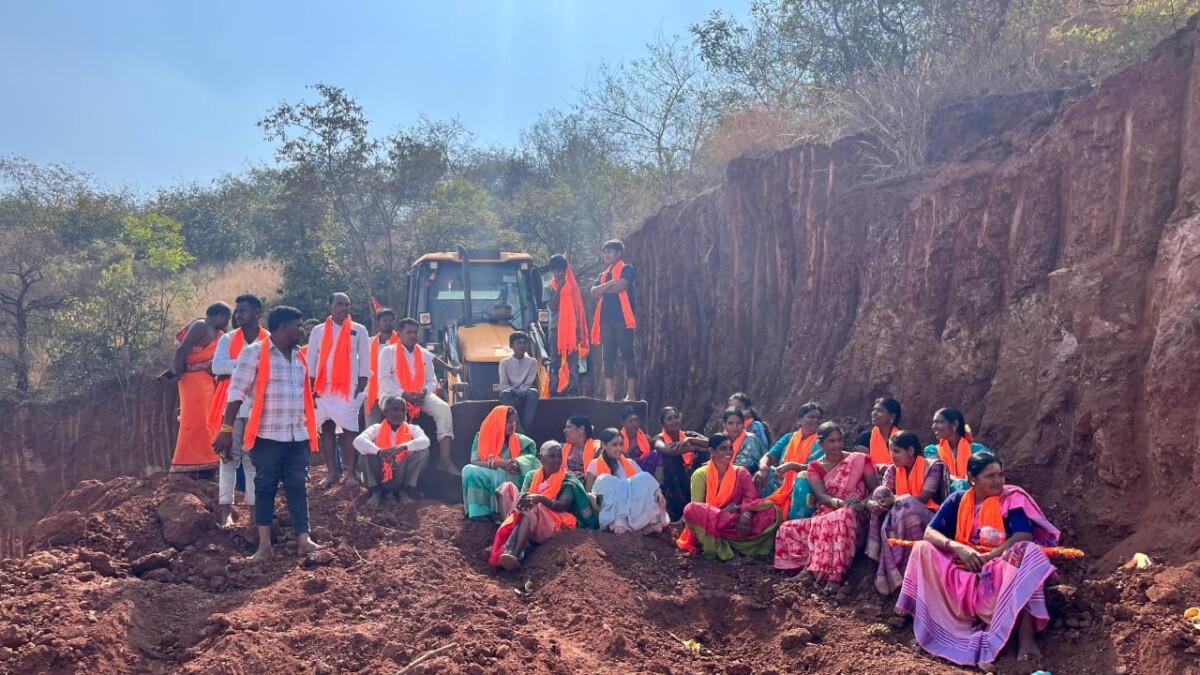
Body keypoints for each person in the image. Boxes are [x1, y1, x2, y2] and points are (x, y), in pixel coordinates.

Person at [897, 453, 1060, 669]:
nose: (998, 481)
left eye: (1001, 474)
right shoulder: (957, 499)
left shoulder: (1010, 499)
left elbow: (1023, 535)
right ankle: (925, 619)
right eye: (990, 476)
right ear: (972, 478)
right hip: (962, 563)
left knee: (1028, 553)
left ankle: (1026, 634)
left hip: (997, 565)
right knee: (922, 548)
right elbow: (930, 532)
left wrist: (989, 557)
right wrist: (958, 548)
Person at [214, 305, 321, 562]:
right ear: (284, 327)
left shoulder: (300, 357)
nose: (302, 330)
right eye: (298, 325)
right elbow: (236, 393)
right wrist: (226, 429)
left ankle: (304, 540)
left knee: (298, 487)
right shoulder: (254, 354)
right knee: (265, 488)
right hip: (267, 436)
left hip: (297, 436)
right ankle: (264, 546)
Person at [773, 422, 880, 592]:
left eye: (839, 440)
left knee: (839, 518)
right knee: (786, 529)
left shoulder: (859, 459)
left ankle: (833, 576)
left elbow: (875, 489)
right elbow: (821, 496)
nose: (837, 445)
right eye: (831, 441)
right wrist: (840, 503)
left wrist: (862, 503)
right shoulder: (816, 466)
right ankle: (811, 567)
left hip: (856, 514)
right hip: (828, 511)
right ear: (821, 444)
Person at [864, 431, 950, 594]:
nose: (893, 455)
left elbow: (924, 498)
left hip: (930, 519)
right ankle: (874, 556)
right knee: (880, 492)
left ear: (910, 451)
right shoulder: (893, 470)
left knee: (906, 502)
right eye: (891, 451)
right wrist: (876, 504)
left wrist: (895, 499)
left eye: (896, 451)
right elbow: (886, 494)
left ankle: (905, 573)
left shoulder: (932, 466)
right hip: (900, 515)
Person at [490, 441, 596, 570]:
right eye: (552, 456)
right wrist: (522, 501)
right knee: (506, 488)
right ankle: (518, 539)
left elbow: (563, 504)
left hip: (555, 520)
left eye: (559, 456)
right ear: (541, 458)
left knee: (532, 507)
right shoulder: (532, 476)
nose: (557, 460)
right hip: (529, 515)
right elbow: (524, 496)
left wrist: (540, 499)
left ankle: (515, 553)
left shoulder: (568, 480)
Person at [210, 294, 269, 528]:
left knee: (253, 461)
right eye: (237, 311)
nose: (237, 315)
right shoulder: (228, 339)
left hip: (259, 409)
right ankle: (226, 512)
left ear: (256, 313)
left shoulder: (269, 340)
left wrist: (233, 367)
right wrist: (247, 366)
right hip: (231, 408)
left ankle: (254, 513)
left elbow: (269, 369)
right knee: (228, 458)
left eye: (243, 311)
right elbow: (216, 366)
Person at [677, 434, 782, 560]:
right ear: (711, 451)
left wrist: (746, 514)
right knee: (691, 509)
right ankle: (723, 550)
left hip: (736, 522)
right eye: (723, 448)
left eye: (730, 448)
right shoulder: (700, 474)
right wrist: (721, 512)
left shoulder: (741, 472)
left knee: (773, 509)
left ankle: (732, 544)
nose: (728, 452)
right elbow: (698, 507)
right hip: (712, 523)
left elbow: (751, 498)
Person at [380, 317, 459, 476]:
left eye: (415, 332)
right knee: (397, 408)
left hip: (419, 395)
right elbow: (384, 381)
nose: (413, 335)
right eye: (408, 332)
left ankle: (444, 460)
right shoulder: (388, 352)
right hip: (395, 395)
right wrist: (404, 394)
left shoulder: (424, 354)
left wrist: (424, 391)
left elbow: (432, 380)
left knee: (443, 409)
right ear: (400, 334)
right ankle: (395, 466)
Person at [308, 293, 371, 489]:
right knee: (326, 428)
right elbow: (311, 360)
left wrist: (361, 386)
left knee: (349, 429)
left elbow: (365, 360)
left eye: (347, 304)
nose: (344, 308)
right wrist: (311, 388)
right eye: (340, 304)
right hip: (323, 389)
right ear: (330, 306)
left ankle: (351, 474)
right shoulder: (318, 331)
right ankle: (331, 473)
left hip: (349, 389)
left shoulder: (358, 330)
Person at [163, 302, 231, 475]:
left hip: (208, 382)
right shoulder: (201, 325)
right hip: (192, 381)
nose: (228, 323)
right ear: (221, 315)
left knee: (209, 420)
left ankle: (209, 462)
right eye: (227, 318)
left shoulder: (217, 333)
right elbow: (182, 351)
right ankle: (189, 463)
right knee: (195, 421)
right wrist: (178, 374)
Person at [461, 405, 540, 520]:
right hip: (491, 471)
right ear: (499, 422)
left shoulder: (521, 441)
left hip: (510, 477)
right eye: (509, 422)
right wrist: (497, 464)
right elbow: (474, 461)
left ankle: (501, 511)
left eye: (514, 421)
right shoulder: (481, 436)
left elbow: (531, 460)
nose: (513, 425)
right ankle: (480, 513)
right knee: (468, 470)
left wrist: (516, 463)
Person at [586, 428, 669, 534]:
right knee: (605, 480)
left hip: (632, 508)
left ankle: (638, 524)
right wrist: (591, 495)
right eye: (614, 445)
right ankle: (620, 523)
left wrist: (657, 491)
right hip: (610, 509)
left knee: (645, 477)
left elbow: (645, 483)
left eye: (621, 444)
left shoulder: (630, 463)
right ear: (603, 445)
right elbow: (588, 491)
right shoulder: (594, 464)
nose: (619, 448)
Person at [353, 395, 431, 506]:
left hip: (400, 477)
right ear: (385, 412)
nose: (399, 413)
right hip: (379, 477)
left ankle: (404, 492)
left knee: (423, 452)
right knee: (365, 453)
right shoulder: (376, 428)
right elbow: (358, 441)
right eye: (395, 409)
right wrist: (379, 452)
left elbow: (425, 441)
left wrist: (403, 447)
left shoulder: (412, 429)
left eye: (402, 410)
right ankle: (376, 493)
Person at [589, 239, 637, 402]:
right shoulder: (603, 275)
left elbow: (621, 286)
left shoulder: (627, 268)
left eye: (610, 251)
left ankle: (631, 394)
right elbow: (594, 293)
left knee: (628, 354)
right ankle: (610, 394)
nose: (606, 254)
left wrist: (605, 288)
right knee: (607, 356)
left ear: (619, 253)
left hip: (623, 318)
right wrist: (610, 283)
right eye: (605, 252)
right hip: (605, 319)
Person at [756, 402, 825, 510]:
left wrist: (792, 466)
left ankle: (795, 519)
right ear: (799, 420)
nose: (816, 420)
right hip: (782, 483)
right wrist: (763, 469)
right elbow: (769, 457)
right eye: (811, 417)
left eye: (819, 418)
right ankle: (760, 511)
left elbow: (821, 467)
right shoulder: (789, 438)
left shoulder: (823, 441)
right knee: (761, 476)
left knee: (803, 477)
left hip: (807, 484)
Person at [653, 406, 709, 522]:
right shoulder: (658, 438)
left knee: (705, 456)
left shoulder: (689, 435)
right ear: (662, 423)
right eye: (669, 419)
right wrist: (695, 447)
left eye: (676, 417)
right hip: (670, 482)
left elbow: (714, 443)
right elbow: (668, 450)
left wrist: (691, 440)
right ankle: (676, 510)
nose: (674, 421)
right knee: (670, 458)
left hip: (690, 477)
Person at [546, 254, 588, 396]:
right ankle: (553, 390)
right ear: (552, 271)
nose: (560, 274)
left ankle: (573, 390)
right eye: (557, 271)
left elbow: (577, 307)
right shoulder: (549, 287)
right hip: (555, 328)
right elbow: (551, 306)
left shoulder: (572, 287)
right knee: (555, 361)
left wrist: (578, 329)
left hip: (571, 328)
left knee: (573, 361)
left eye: (562, 270)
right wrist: (559, 289)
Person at [925, 407, 994, 492]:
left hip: (975, 492)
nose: (933, 426)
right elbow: (938, 473)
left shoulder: (977, 449)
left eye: (939, 422)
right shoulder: (932, 450)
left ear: (954, 424)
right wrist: (959, 482)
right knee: (960, 485)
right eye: (934, 422)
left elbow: (992, 470)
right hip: (944, 495)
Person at [363, 308, 399, 427]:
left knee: (396, 429)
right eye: (384, 320)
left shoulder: (401, 343)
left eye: (390, 320)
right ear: (379, 322)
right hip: (372, 394)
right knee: (372, 430)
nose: (387, 323)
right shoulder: (369, 343)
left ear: (394, 322)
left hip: (395, 394)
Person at [498, 332, 539, 434]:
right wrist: (514, 391)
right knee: (504, 394)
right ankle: (521, 431)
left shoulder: (532, 362)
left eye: (524, 343)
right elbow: (504, 384)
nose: (522, 345)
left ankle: (524, 430)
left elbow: (529, 381)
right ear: (511, 345)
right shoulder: (504, 363)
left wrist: (521, 391)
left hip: (525, 392)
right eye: (519, 343)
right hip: (510, 393)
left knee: (534, 392)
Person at [854, 398, 904, 471]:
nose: (873, 413)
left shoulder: (902, 440)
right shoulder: (865, 438)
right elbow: (862, 466)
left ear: (892, 416)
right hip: (871, 480)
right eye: (874, 409)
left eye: (880, 411)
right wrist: (880, 468)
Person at [720, 408, 767, 473]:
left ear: (743, 424)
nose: (735, 427)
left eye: (738, 423)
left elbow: (743, 468)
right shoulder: (724, 441)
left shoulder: (751, 440)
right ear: (724, 426)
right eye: (730, 423)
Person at [620, 406, 661, 477]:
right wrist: (630, 449)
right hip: (626, 472)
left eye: (636, 420)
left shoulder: (646, 438)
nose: (634, 424)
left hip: (645, 471)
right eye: (630, 421)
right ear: (623, 423)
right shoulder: (617, 439)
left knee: (656, 454)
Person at [563, 414, 600, 479]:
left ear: (581, 429)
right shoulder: (563, 448)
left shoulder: (596, 447)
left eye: (569, 427)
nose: (565, 430)